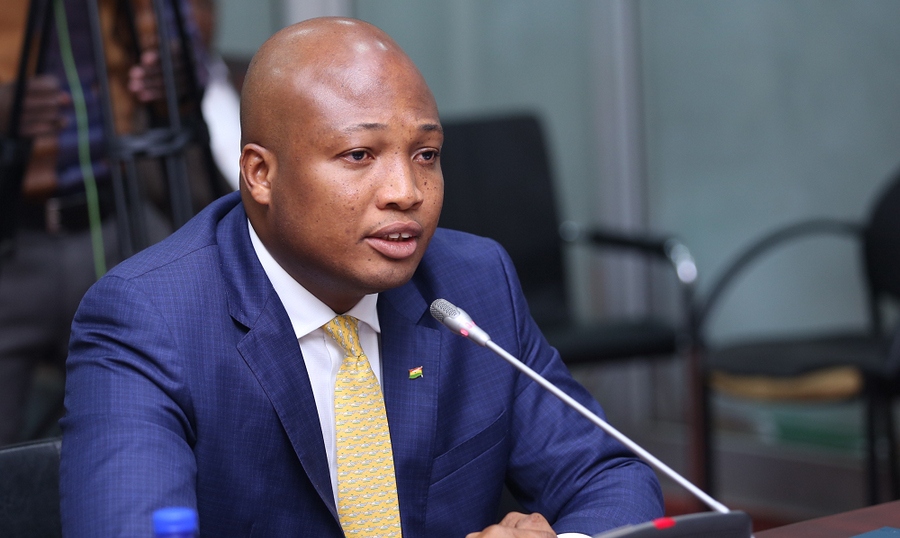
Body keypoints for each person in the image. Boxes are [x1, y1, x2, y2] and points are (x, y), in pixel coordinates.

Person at [60, 17, 664, 538]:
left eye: (426, 155)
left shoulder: (472, 281)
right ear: (260, 174)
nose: (406, 192)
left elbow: (608, 474)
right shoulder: (149, 319)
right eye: (359, 155)